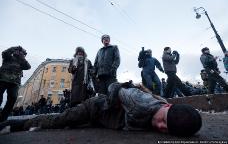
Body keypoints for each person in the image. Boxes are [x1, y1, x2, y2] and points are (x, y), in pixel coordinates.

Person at [0, 81, 202, 137]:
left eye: (165, 129)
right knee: (62, 120)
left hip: (103, 120)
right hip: (95, 108)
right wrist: (109, 103)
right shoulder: (141, 102)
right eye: (163, 119)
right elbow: (116, 87)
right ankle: (15, 125)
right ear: (166, 106)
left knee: (71, 124)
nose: (159, 125)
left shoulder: (164, 112)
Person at [0, 46, 31, 122]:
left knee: (13, 98)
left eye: (23, 53)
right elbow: (4, 53)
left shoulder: (22, 61)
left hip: (15, 82)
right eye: (20, 52)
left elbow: (28, 67)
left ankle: (3, 118)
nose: (20, 53)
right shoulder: (8, 57)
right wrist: (15, 48)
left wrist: (22, 57)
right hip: (3, 79)